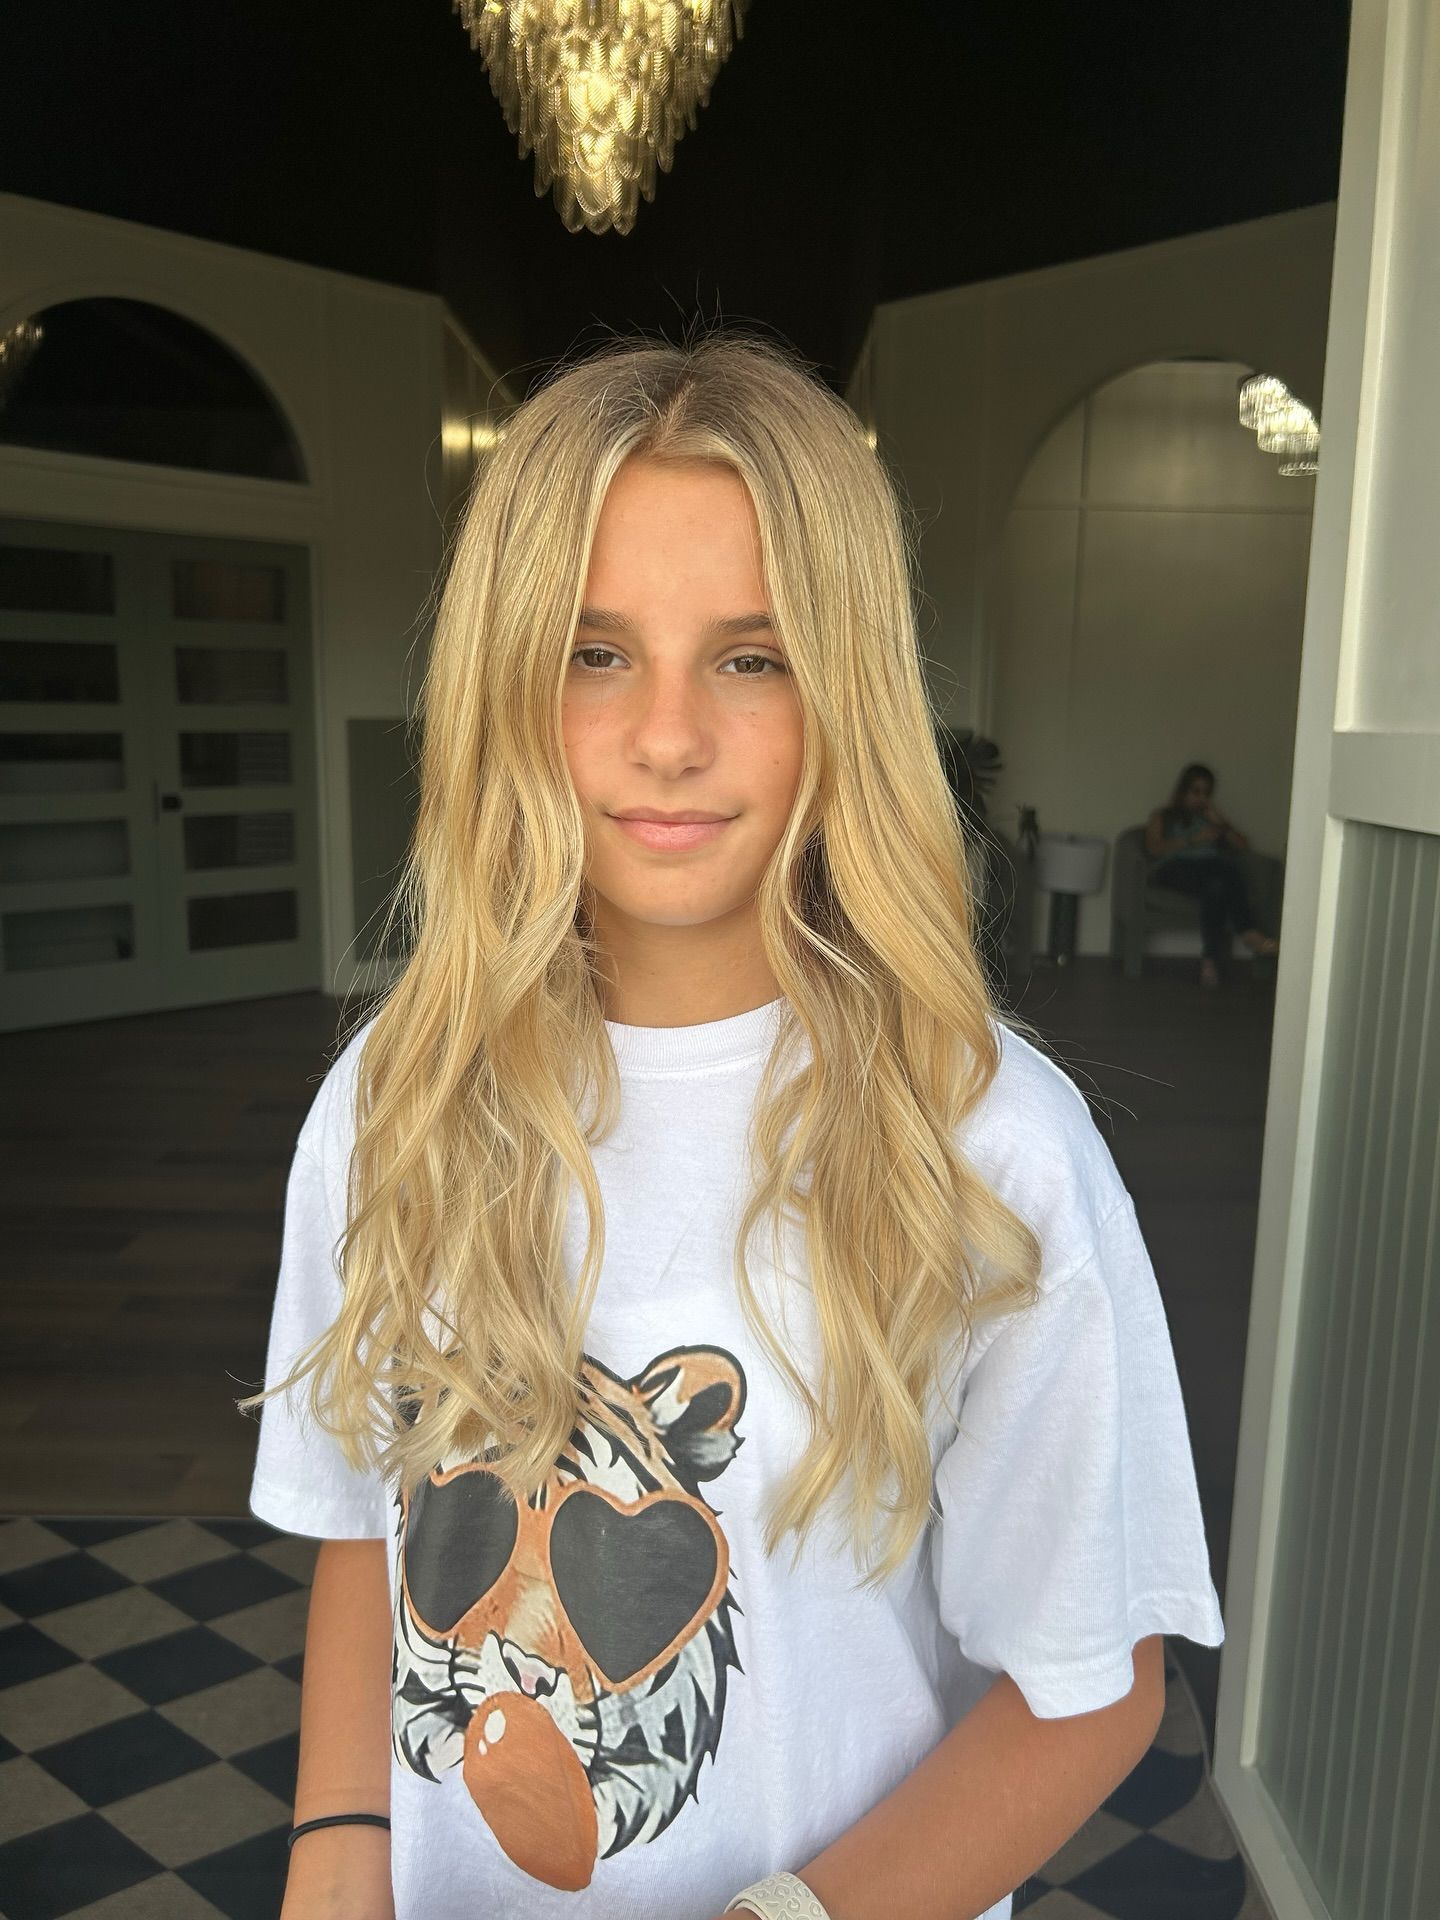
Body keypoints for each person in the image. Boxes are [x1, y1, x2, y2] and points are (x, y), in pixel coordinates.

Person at [240, 334, 1224, 1920]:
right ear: (505, 678)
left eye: (752, 657)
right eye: (596, 651)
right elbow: (374, 1517)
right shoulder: (390, 1104)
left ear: (846, 694)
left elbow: (1094, 1681)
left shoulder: (990, 1147)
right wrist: (336, 1856)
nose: (670, 734)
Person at [1145, 763, 1280, 989]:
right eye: (1195, 791)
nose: (1200, 798)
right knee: (1221, 871)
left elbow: (1243, 846)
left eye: (1206, 793)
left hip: (1211, 869)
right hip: (1174, 867)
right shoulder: (1164, 815)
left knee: (1217, 883)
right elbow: (1153, 848)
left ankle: (1210, 961)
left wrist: (1223, 826)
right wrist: (1193, 840)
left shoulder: (1210, 818)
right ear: (1183, 790)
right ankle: (1247, 932)